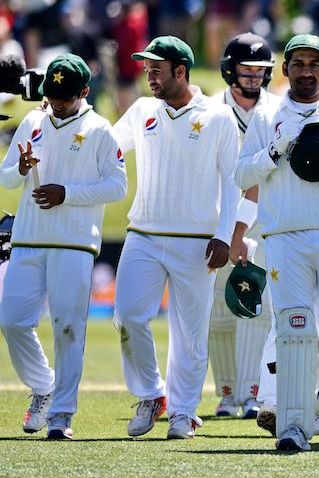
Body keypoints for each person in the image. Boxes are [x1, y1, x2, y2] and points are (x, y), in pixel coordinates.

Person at [236, 34, 319, 452]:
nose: (308, 71)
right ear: (286, 69)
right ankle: (293, 426)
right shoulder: (267, 115)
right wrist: (274, 152)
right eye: (299, 63)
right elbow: (241, 176)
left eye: (316, 64)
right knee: (294, 330)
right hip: (284, 236)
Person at [112, 36, 241, 439]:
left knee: (189, 331)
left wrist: (224, 235)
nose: (149, 77)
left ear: (180, 71)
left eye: (156, 70)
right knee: (129, 316)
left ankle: (183, 411)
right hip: (144, 234)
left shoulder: (218, 117)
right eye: (146, 69)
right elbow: (106, 148)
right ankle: (151, 393)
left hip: (197, 240)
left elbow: (234, 182)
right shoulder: (142, 111)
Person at [0, 54, 127, 440]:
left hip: (74, 241)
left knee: (68, 327)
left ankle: (62, 413)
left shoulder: (100, 129)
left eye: (65, 97)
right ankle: (44, 386)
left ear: (84, 92)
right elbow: (6, 179)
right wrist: (20, 170)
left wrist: (66, 194)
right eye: (52, 96)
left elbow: (116, 186)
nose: (56, 103)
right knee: (12, 321)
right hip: (28, 237)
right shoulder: (33, 121)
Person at [207, 32, 276, 420]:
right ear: (229, 70)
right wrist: (228, 230)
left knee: (255, 309)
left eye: (260, 71)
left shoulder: (276, 110)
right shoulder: (212, 111)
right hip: (217, 222)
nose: (252, 77)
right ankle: (227, 393)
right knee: (219, 311)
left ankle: (251, 392)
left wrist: (241, 231)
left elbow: (258, 178)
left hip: (260, 222)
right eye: (245, 69)